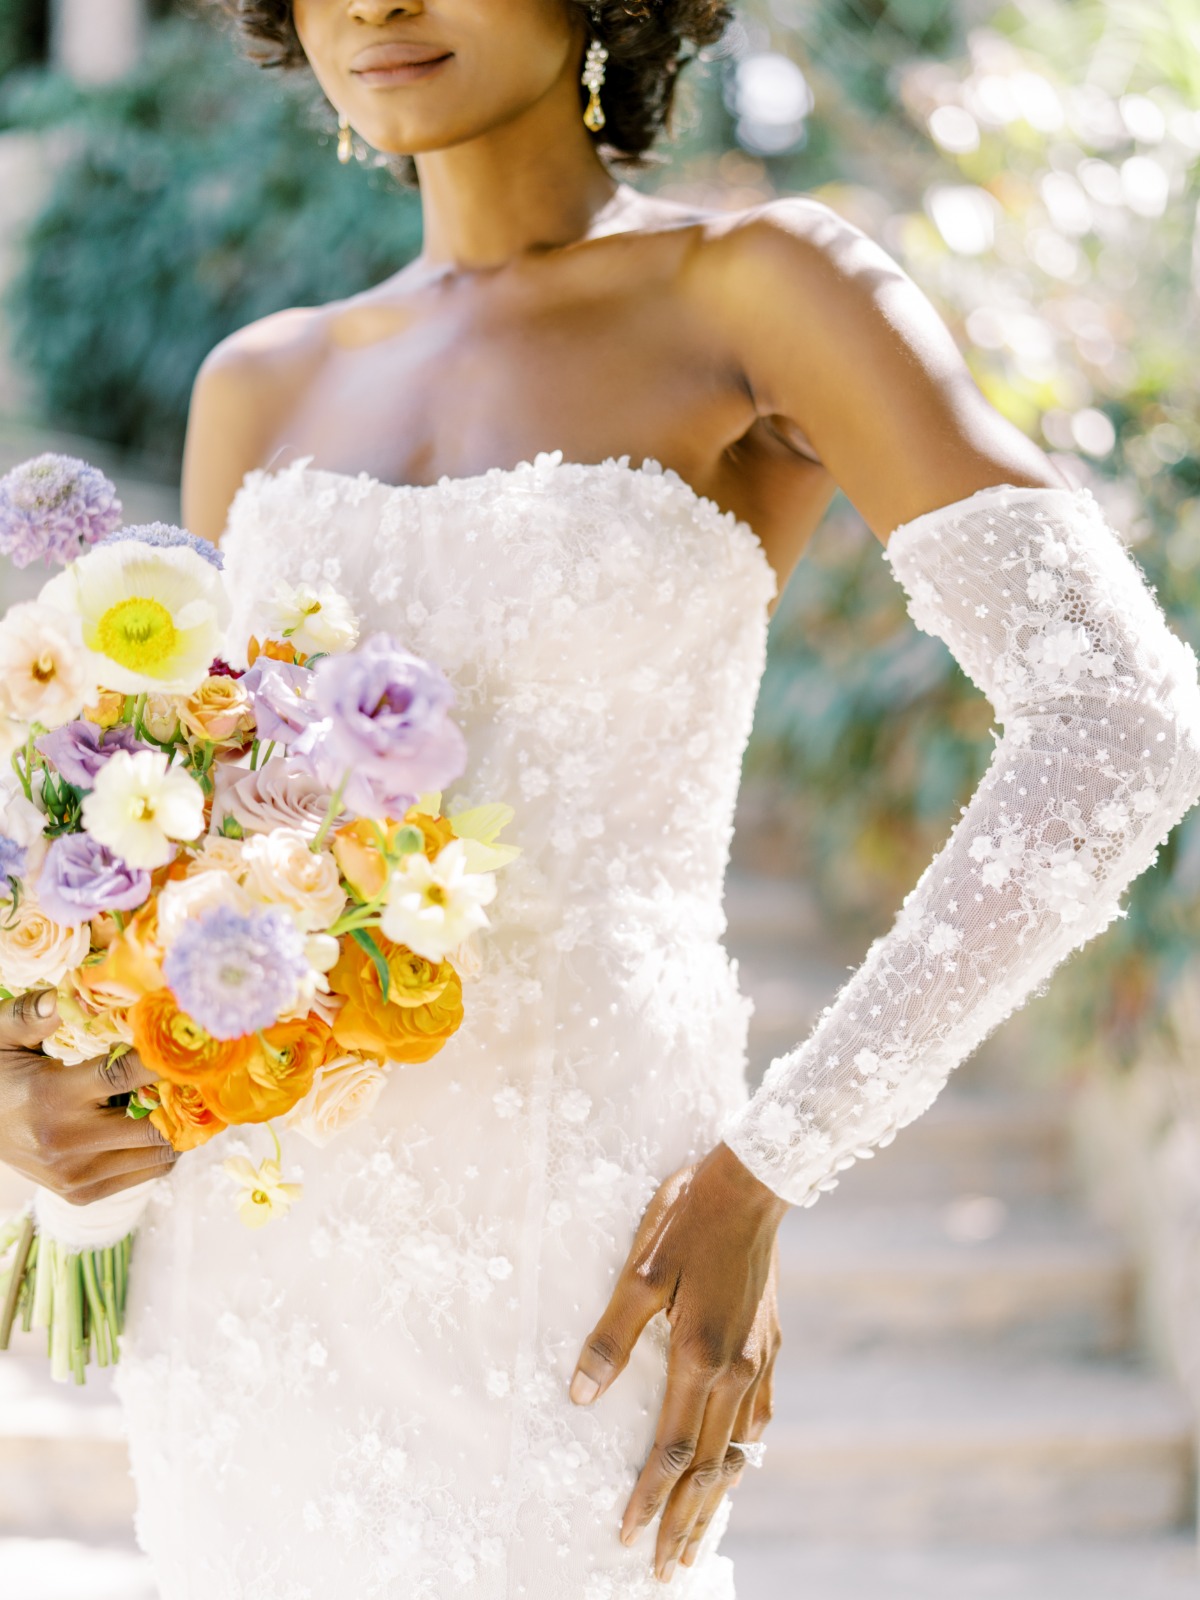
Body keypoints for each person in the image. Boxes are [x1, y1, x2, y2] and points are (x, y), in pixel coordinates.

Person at [2, 2, 1199, 1596]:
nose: (377, 3)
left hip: (589, 1251)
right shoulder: (261, 386)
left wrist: (779, 1158)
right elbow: (195, 817)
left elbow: (1117, 720)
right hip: (253, 1274)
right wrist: (31, 1071)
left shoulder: (766, 288)